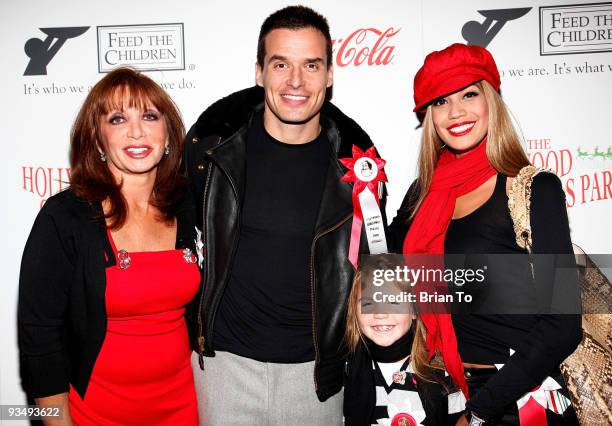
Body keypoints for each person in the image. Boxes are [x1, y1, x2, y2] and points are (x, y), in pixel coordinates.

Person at [183, 5, 384, 425]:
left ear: (330, 74)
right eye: (281, 64)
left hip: (317, 379)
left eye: (311, 65)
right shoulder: (213, 157)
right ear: (259, 72)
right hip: (224, 370)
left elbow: (374, 265)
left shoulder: (358, 170)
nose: (296, 81)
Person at [388, 44, 581, 425]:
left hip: (521, 398)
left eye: (469, 95)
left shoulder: (533, 189)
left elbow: (562, 325)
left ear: (491, 100)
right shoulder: (422, 194)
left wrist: (481, 411)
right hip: (444, 390)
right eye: (441, 101)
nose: (456, 112)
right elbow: (381, 262)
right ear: (429, 115)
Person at [18, 67, 200, 425]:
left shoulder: (191, 206)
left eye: (149, 116)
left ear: (168, 136)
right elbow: (40, 339)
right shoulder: (65, 218)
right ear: (98, 141)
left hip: (184, 408)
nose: (136, 131)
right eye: (118, 119)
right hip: (93, 414)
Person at [343, 256, 464, 426]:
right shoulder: (348, 369)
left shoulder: (441, 372)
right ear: (354, 312)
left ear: (414, 311)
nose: (380, 314)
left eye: (393, 302)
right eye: (368, 304)